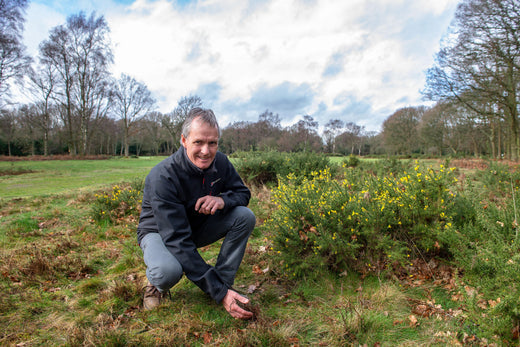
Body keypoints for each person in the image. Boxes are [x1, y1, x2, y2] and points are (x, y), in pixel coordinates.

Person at [136, 107, 255, 320]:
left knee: (244, 216)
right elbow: (178, 240)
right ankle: (155, 285)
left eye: (212, 143)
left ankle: (223, 284)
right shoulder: (163, 177)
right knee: (167, 272)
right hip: (160, 232)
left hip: (196, 225)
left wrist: (222, 200)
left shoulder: (221, 162)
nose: (206, 151)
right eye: (198, 142)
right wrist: (217, 291)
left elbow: (242, 193)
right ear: (184, 140)